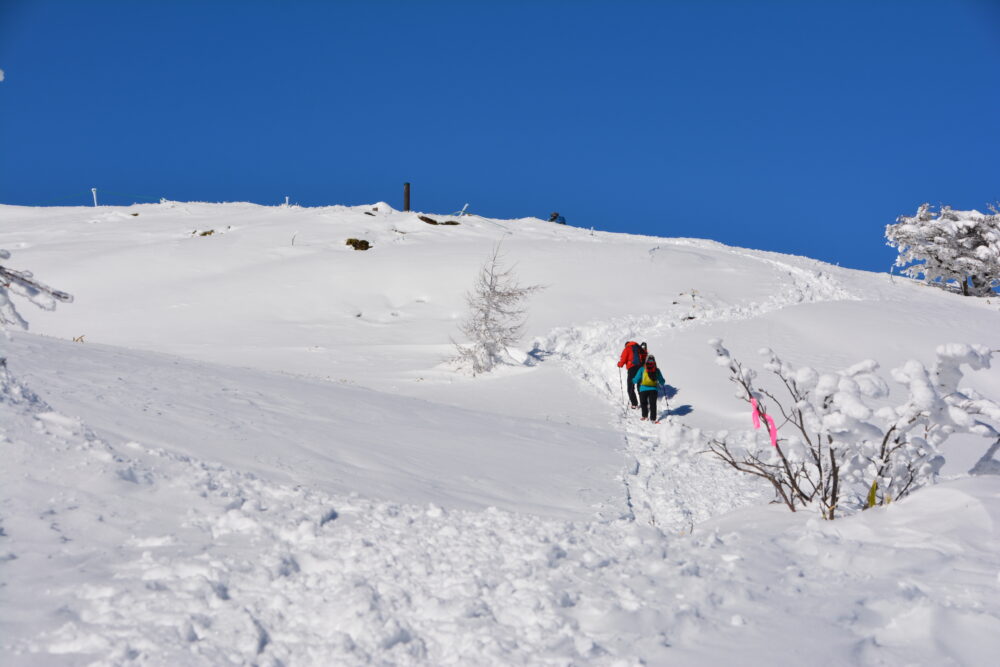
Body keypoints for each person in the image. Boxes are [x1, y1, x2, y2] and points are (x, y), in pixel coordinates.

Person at [632, 355, 666, 423]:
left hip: (643, 389)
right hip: (653, 389)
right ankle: (653, 419)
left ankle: (644, 416)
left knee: (643, 403)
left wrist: (633, 380)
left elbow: (636, 379)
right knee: (653, 404)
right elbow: (662, 381)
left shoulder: (642, 369)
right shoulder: (657, 370)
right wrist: (662, 382)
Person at [616, 341, 648, 409]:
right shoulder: (638, 347)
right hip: (640, 369)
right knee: (640, 387)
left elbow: (623, 359)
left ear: (626, 345)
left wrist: (619, 364)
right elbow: (645, 356)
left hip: (632, 369)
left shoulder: (627, 348)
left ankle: (634, 404)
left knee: (630, 387)